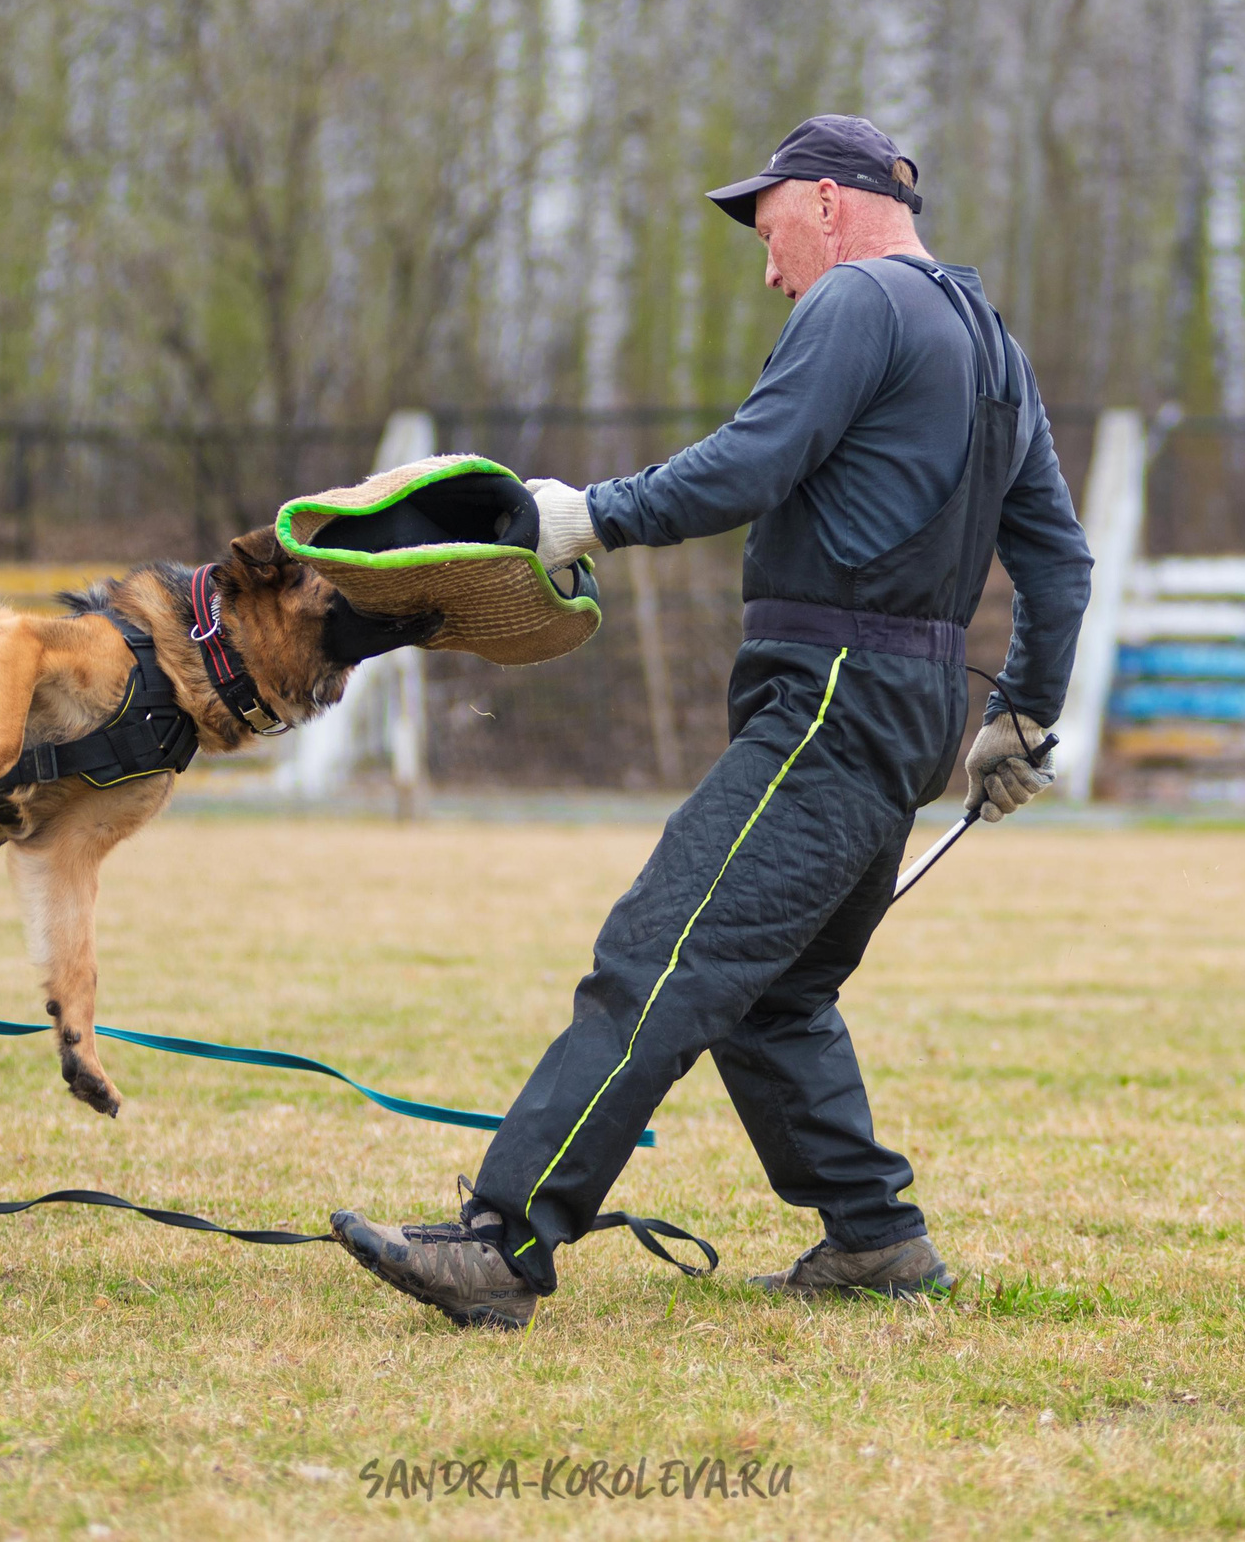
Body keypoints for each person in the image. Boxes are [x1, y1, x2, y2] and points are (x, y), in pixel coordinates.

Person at [332, 115, 1095, 1329]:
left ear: (831, 206)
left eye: (772, 224)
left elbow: (752, 463)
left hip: (830, 696)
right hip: (908, 708)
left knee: (661, 952)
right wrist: (1020, 717)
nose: (769, 262)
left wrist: (585, 515)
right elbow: (1056, 564)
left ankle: (503, 1237)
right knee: (775, 990)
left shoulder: (856, 306)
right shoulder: (992, 345)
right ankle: (875, 1239)